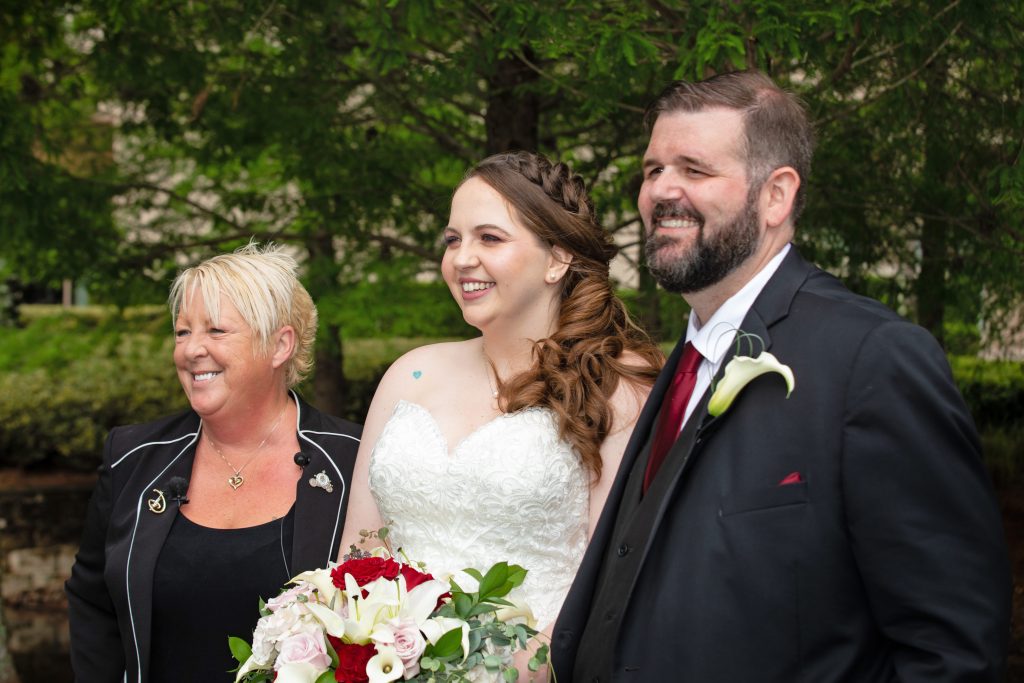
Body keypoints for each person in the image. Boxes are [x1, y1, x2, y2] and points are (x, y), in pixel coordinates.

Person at [551, 70, 1011, 682]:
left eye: (694, 169)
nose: (661, 190)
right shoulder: (681, 365)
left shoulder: (872, 359)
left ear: (776, 195)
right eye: (652, 169)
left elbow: (953, 649)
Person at [339, 151, 663, 678]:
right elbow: (361, 549)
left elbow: (614, 578)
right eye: (452, 239)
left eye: (489, 238)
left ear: (557, 258)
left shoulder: (617, 387)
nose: (462, 258)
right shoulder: (411, 374)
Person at [65, 243, 362, 682]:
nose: (191, 350)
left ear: (280, 345)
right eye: (183, 332)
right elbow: (92, 603)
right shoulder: (132, 458)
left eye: (216, 331)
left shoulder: (352, 460)